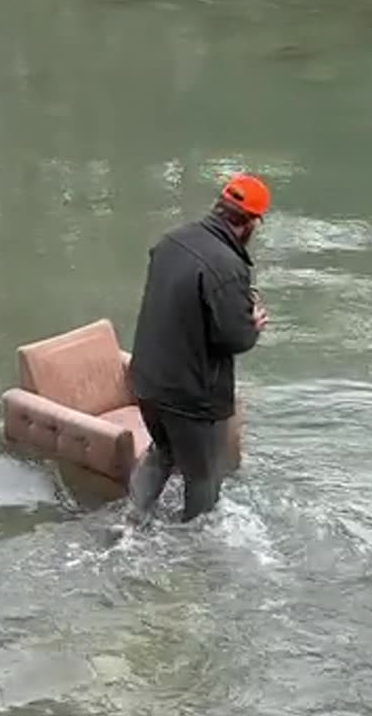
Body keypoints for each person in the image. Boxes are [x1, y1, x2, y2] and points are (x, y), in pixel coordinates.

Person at [123, 173, 271, 526]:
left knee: (162, 452)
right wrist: (253, 324)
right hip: (192, 396)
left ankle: (132, 520)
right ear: (250, 223)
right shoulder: (227, 266)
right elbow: (234, 338)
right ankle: (196, 548)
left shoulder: (171, 241)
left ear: (219, 206)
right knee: (203, 476)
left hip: (147, 381)